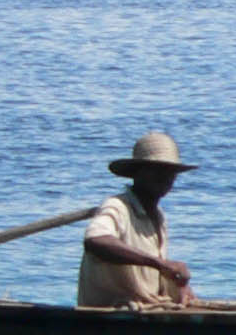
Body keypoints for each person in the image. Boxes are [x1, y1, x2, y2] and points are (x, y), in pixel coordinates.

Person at [79, 131, 197, 308]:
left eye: (170, 171)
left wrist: (179, 286)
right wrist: (159, 263)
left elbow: (151, 277)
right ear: (137, 173)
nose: (164, 177)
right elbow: (95, 241)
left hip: (145, 310)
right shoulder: (117, 207)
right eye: (156, 170)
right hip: (109, 319)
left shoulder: (158, 217)